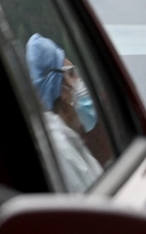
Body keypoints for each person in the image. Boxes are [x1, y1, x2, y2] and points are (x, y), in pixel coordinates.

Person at [26, 33, 103, 192]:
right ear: (61, 89)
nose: (80, 81)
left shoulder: (68, 140)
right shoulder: (61, 153)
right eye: (73, 74)